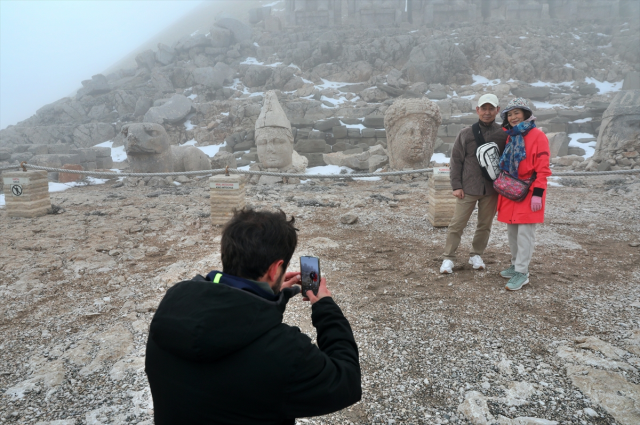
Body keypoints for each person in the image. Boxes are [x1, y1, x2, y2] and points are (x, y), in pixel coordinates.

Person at [145, 209, 361, 424]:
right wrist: (326, 308)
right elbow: (346, 382)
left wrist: (269, 296)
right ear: (276, 269)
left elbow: (234, 320)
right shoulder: (285, 351)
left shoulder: (170, 313)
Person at [440, 94, 508, 274]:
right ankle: (449, 257)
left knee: (485, 225)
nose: (487, 112)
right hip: (467, 188)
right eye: (483, 108)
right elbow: (456, 160)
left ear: (497, 110)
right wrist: (456, 186)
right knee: (457, 224)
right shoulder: (466, 133)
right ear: (477, 110)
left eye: (491, 109)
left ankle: (476, 254)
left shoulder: (503, 134)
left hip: (491, 189)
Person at [496, 97, 552, 291]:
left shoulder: (538, 135)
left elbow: (543, 168)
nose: (513, 117)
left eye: (516, 113)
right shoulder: (511, 135)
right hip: (512, 190)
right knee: (512, 232)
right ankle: (515, 264)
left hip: (528, 191)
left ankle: (522, 272)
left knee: (525, 234)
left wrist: (538, 193)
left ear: (526, 114)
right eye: (509, 114)